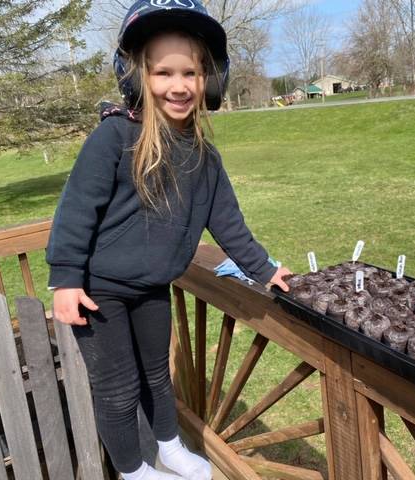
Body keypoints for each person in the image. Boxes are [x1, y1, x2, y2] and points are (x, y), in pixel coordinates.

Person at [46, 1, 291, 479]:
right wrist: (66, 280)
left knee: (158, 377)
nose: (179, 86)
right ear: (137, 76)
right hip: (100, 293)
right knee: (117, 388)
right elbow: (75, 212)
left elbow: (229, 222)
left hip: (152, 288)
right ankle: (136, 472)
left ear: (210, 81)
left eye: (192, 73)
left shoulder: (206, 157)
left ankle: (169, 446)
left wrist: (265, 270)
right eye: (163, 72)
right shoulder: (115, 137)